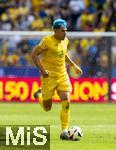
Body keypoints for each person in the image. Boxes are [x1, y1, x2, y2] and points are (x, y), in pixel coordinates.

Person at [31, 19, 83, 140]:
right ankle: (39, 94)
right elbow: (34, 54)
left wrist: (74, 65)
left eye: (66, 31)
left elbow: (63, 54)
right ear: (55, 30)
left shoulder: (65, 40)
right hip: (49, 77)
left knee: (66, 100)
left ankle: (64, 131)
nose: (65, 33)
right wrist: (43, 71)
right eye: (62, 31)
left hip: (62, 75)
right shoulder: (46, 41)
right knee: (47, 108)